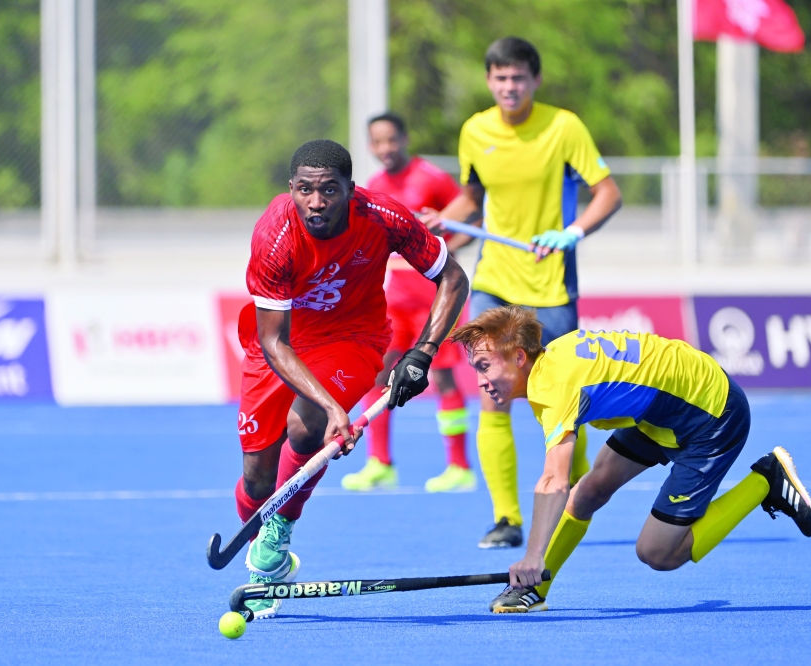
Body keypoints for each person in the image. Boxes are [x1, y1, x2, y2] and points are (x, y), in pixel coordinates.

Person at [448, 306, 811, 613]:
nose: (480, 381)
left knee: (657, 552)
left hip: (711, 414)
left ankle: (765, 480)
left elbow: (554, 481)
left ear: (519, 357)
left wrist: (532, 555)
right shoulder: (552, 361)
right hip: (664, 408)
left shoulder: (552, 387)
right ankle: (535, 589)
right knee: (589, 491)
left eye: (484, 366)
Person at [235, 139, 469, 619]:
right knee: (257, 478)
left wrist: (423, 352)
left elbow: (453, 278)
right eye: (304, 190)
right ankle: (267, 547)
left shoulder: (383, 216)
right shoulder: (274, 237)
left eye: (328, 190)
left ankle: (275, 536)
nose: (316, 202)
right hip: (283, 343)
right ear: (291, 188)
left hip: (353, 338)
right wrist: (332, 407)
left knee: (305, 428)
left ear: (350, 189)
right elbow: (275, 342)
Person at [420, 37, 623, 548]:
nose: (509, 86)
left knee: (565, 404)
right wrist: (444, 223)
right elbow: (472, 199)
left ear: (535, 80)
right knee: (492, 397)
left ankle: (575, 502)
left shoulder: (564, 126)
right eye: (501, 78)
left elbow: (609, 193)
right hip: (493, 284)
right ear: (489, 81)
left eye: (518, 77)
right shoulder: (475, 130)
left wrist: (573, 232)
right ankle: (507, 519)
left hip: (552, 290)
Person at [341, 112, 477, 493]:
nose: (385, 148)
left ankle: (459, 467)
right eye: (377, 141)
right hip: (393, 301)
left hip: (435, 300)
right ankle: (379, 462)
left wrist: (444, 250)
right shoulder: (373, 185)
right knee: (378, 374)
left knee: (442, 377)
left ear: (405, 139)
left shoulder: (432, 178)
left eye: (391, 139)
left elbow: (471, 219)